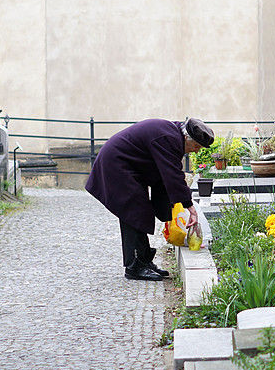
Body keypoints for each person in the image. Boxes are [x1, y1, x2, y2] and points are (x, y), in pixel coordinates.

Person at [85, 118, 214, 281]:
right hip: (116, 164)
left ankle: (144, 261)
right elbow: (172, 175)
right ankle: (135, 267)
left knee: (141, 211)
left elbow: (167, 174)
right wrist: (189, 207)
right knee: (134, 213)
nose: (195, 151)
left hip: (128, 166)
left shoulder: (172, 135)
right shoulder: (168, 138)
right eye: (196, 146)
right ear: (187, 138)